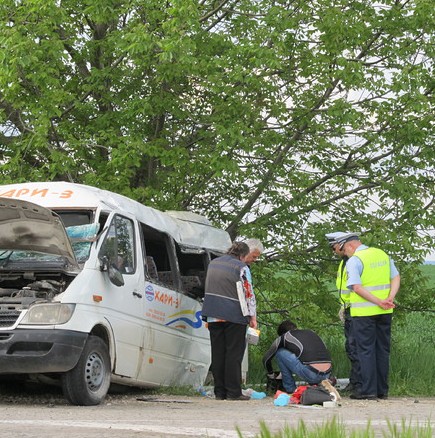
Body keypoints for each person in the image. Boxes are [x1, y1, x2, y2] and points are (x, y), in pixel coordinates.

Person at [335, 233, 400, 400]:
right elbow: (396, 277)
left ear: (349, 246)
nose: (345, 254)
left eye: (344, 250)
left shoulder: (355, 260)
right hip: (385, 311)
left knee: (365, 351)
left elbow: (356, 287)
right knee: (382, 350)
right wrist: (389, 298)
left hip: (363, 313)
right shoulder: (382, 254)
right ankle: (382, 390)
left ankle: (367, 390)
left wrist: (378, 301)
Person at [202, 241, 254, 401]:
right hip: (234, 315)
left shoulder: (213, 263)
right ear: (243, 255)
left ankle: (220, 392)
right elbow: (248, 293)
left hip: (213, 313)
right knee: (233, 353)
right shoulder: (241, 267)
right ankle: (233, 392)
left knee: (218, 353)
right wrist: (252, 316)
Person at [325, 232, 362, 395]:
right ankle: (355, 382)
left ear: (341, 245)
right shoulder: (344, 262)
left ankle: (358, 383)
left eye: (334, 248)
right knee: (351, 348)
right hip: (349, 309)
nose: (334, 251)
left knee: (356, 348)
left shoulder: (353, 261)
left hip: (356, 309)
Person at [262, 319, 332, 394]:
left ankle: (290, 389)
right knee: (306, 357)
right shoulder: (311, 332)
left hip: (311, 374)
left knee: (280, 352)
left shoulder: (285, 336)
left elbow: (266, 359)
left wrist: (271, 375)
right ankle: (318, 385)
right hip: (327, 374)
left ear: (282, 333)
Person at [242, 238, 265, 330]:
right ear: (247, 252)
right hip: (236, 316)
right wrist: (253, 317)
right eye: (254, 256)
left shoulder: (222, 262)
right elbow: (249, 293)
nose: (255, 260)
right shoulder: (243, 269)